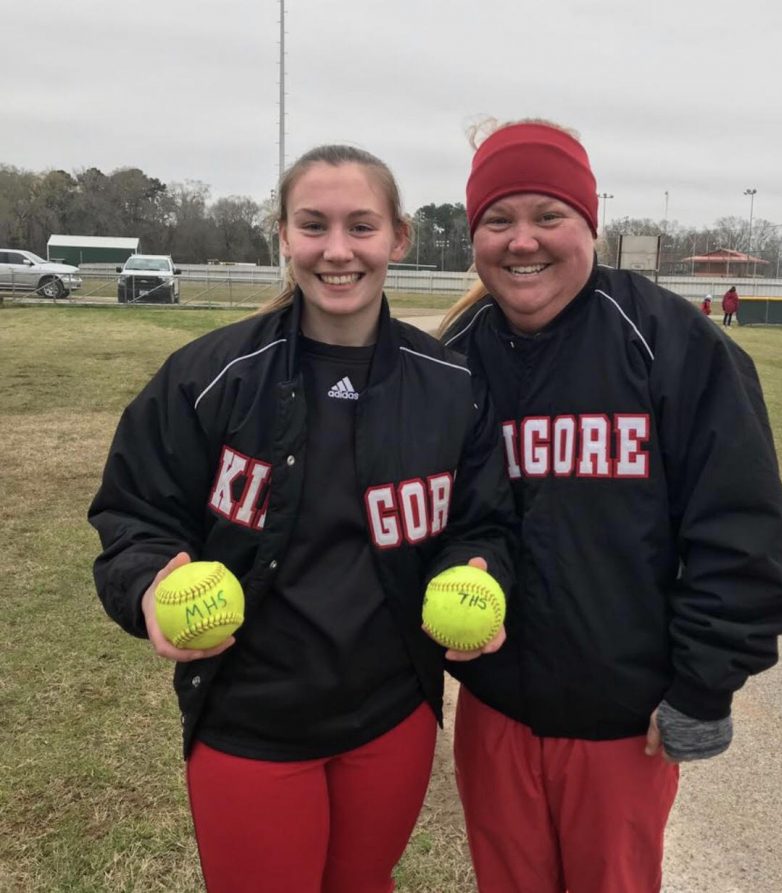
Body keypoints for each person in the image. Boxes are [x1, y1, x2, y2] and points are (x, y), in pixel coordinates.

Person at [88, 144, 516, 893]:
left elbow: (484, 522)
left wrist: (478, 567)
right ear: (283, 236)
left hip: (391, 717)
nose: (338, 250)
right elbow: (134, 512)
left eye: (362, 226)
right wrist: (152, 586)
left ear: (399, 238)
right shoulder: (209, 376)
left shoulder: (452, 385)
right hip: (250, 720)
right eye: (313, 226)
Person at [439, 120, 782, 893]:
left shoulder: (671, 343)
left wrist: (702, 683)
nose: (523, 240)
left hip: (622, 725)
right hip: (496, 712)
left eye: (549, 216)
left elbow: (745, 535)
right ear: (473, 234)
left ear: (590, 226)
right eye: (498, 219)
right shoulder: (450, 358)